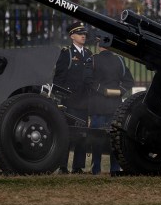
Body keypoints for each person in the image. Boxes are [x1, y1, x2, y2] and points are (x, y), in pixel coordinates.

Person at [87, 33, 132, 175]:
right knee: (115, 140)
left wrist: (102, 90)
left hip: (98, 105)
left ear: (99, 45)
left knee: (97, 139)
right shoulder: (119, 60)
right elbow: (129, 81)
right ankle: (114, 169)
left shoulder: (93, 59)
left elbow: (88, 80)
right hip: (115, 106)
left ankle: (96, 169)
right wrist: (118, 91)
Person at [53, 21, 93, 173]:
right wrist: (60, 99)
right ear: (72, 36)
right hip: (69, 102)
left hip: (84, 102)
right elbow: (58, 79)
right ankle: (63, 166)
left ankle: (78, 166)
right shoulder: (66, 53)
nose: (83, 36)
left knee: (82, 135)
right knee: (67, 134)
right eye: (80, 34)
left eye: (84, 34)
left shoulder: (89, 54)